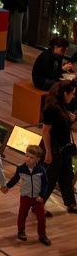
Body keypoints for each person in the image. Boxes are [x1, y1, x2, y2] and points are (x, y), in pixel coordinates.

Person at [39, 80, 77, 215]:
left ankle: (71, 203)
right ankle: (38, 205)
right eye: (72, 94)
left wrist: (71, 119)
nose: (73, 96)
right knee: (49, 178)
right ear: (64, 93)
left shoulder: (63, 106)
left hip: (64, 148)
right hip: (54, 148)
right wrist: (48, 152)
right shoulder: (52, 109)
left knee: (67, 175)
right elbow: (45, 131)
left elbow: (62, 125)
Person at [3, 144, 50, 245]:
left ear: (37, 159)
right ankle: (21, 231)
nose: (28, 159)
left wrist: (42, 196)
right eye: (27, 156)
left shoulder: (41, 170)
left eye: (31, 157)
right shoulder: (21, 169)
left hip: (37, 198)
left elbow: (45, 183)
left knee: (41, 218)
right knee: (22, 214)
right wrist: (7, 187)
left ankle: (42, 235)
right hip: (25, 197)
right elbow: (15, 179)